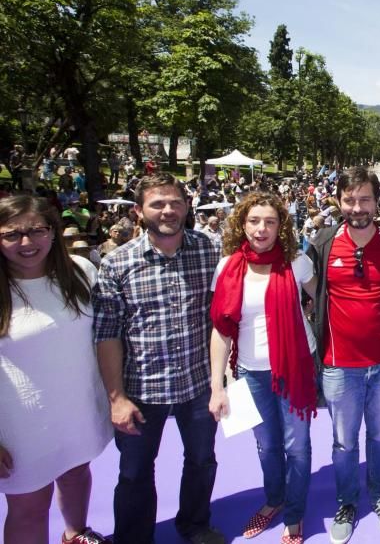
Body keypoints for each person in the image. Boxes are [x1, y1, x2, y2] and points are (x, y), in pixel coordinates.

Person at [92, 173, 223, 544]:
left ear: (186, 206)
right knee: (134, 472)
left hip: (198, 384)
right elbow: (107, 336)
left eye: (175, 202)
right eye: (157, 203)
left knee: (202, 461)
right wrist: (116, 398)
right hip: (140, 389)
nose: (168, 210)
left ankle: (194, 525)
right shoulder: (116, 263)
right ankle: (134, 538)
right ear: (138, 212)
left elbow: (224, 317)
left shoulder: (209, 250)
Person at [305, 167, 380, 544]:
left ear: (376, 201)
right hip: (338, 367)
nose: (358, 207)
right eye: (350, 199)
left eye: (365, 199)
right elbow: (302, 288)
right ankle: (346, 502)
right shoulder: (322, 242)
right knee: (343, 442)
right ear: (338, 201)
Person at [0, 195, 112, 544]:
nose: (27, 242)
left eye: (36, 230)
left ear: (53, 231)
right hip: (19, 425)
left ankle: (76, 532)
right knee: (29, 507)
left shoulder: (81, 271)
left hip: (77, 408)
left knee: (77, 472)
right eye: (11, 234)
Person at [208, 193, 317, 543]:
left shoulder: (297, 262)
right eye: (254, 220)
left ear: (281, 226)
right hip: (250, 372)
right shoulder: (227, 266)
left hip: (296, 367)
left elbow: (322, 300)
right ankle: (274, 499)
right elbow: (222, 329)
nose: (261, 228)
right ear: (242, 223)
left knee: (296, 446)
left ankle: (295, 514)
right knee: (266, 445)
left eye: (270, 221)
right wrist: (217, 385)